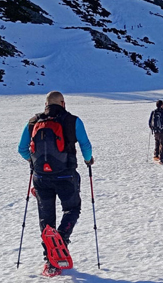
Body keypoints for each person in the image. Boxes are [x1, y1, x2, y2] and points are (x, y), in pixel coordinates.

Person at [18, 91, 94, 276]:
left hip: (41, 177)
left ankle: (50, 263)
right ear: (62, 103)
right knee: (72, 209)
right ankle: (62, 236)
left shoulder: (33, 122)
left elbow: (22, 149)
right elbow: (86, 146)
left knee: (46, 219)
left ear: (46, 104)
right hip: (65, 176)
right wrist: (88, 160)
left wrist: (32, 161)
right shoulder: (73, 120)